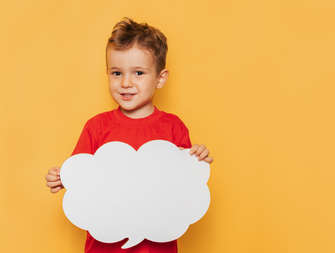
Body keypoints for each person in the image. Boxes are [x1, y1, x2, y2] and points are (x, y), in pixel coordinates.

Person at [44, 17, 213, 253]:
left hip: (157, 248)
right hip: (104, 247)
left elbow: (182, 185)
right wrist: (62, 178)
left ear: (160, 78)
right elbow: (80, 175)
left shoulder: (173, 128)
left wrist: (198, 159)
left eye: (139, 73)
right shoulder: (97, 127)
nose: (125, 82)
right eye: (116, 73)